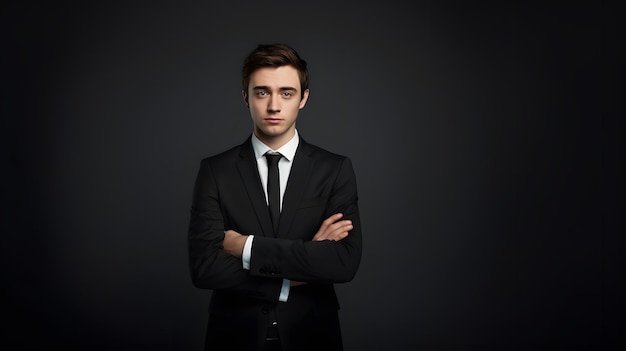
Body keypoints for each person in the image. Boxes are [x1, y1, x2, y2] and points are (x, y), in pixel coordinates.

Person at [188, 43, 362, 351]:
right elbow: (205, 267)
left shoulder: (335, 169)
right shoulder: (215, 171)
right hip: (233, 338)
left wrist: (244, 246)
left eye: (286, 92)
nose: (273, 106)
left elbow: (342, 263)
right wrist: (306, 259)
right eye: (261, 92)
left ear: (303, 98)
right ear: (246, 98)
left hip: (313, 337)